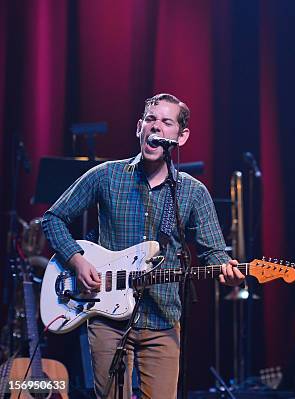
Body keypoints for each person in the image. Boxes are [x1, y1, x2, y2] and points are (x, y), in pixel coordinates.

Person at [42, 93, 245, 398]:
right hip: (105, 315)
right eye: (150, 120)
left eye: (166, 122)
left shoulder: (192, 192)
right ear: (139, 127)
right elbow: (53, 218)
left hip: (162, 319)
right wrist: (78, 260)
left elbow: (213, 251)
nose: (156, 127)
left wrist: (226, 268)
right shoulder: (107, 176)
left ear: (181, 136)